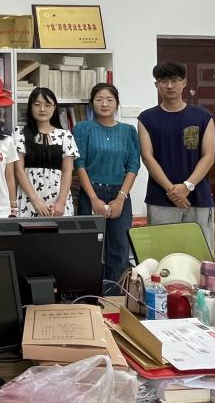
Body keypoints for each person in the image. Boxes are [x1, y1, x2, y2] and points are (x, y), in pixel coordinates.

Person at [138, 61, 215, 246]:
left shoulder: (203, 116)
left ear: (184, 83)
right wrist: (172, 191)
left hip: (198, 197)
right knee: (163, 253)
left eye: (174, 80)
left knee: (200, 252)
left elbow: (208, 156)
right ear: (157, 85)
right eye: (163, 81)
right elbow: (147, 157)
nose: (169, 85)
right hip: (161, 198)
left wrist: (187, 186)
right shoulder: (146, 118)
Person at [73, 83, 141, 292]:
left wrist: (121, 198)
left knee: (119, 247)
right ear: (92, 103)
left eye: (109, 100)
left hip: (119, 193)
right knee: (89, 247)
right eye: (99, 99)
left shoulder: (128, 131)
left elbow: (133, 166)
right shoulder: (83, 129)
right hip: (91, 192)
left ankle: (115, 297)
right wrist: (93, 198)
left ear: (116, 103)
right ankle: (89, 296)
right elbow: (79, 164)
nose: (104, 104)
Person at [14, 87, 78, 218]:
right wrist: (35, 201)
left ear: (55, 108)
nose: (42, 109)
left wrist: (61, 202)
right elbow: (19, 170)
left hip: (58, 199)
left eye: (47, 105)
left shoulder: (65, 135)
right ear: (30, 107)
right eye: (37, 104)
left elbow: (67, 171)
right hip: (29, 198)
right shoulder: (19, 133)